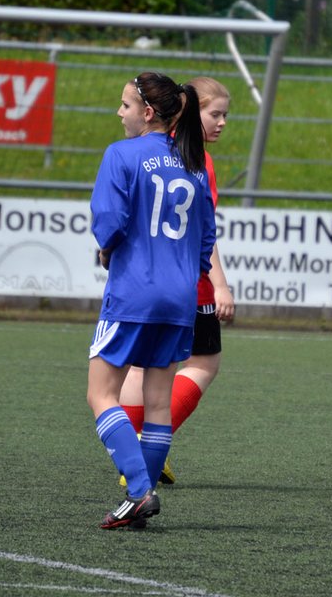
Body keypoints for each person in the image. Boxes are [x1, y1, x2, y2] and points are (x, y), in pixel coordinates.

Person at [87, 72, 215, 529]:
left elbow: (110, 222)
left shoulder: (121, 154)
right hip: (179, 300)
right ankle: (144, 493)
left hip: (132, 294)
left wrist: (105, 249)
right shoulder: (194, 165)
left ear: (146, 113)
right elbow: (206, 241)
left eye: (124, 105)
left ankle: (139, 492)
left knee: (101, 394)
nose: (118, 113)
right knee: (158, 403)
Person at [117, 76, 235, 487]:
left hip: (142, 280)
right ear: (188, 112)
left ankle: (130, 453)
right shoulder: (194, 157)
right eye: (214, 114)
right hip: (187, 280)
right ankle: (142, 446)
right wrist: (220, 283)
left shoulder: (145, 151)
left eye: (225, 115)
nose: (221, 123)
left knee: (138, 365)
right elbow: (204, 232)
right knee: (204, 362)